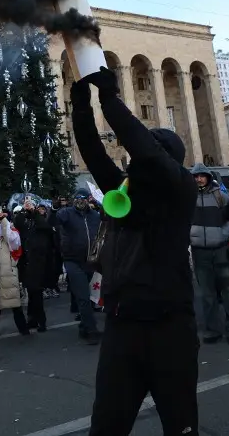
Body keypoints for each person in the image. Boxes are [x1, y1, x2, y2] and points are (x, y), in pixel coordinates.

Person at [71, 67, 198, 436]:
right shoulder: (126, 192)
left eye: (145, 154)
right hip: (122, 327)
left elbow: (145, 149)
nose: (133, 161)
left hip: (169, 328)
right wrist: (82, 107)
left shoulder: (180, 188)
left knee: (180, 424)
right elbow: (94, 154)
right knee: (106, 425)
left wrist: (109, 99)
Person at [189, 162, 229, 345]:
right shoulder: (189, 198)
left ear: (208, 177)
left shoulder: (222, 197)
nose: (199, 179)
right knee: (207, 293)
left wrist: (223, 236)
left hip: (219, 248)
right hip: (199, 250)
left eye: (202, 175)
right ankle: (212, 330)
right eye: (196, 176)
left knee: (227, 291)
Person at [52, 187, 102, 343]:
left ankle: (83, 327)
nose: (80, 201)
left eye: (84, 198)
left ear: (89, 200)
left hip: (90, 262)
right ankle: (92, 331)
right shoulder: (66, 213)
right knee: (83, 297)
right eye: (78, 198)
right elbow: (52, 221)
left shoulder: (95, 216)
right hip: (72, 261)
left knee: (87, 298)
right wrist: (54, 208)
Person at [0, 207, 30, 338]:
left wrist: (3, 221)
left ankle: (23, 328)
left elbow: (12, 241)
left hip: (9, 272)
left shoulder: (11, 229)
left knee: (14, 303)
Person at [17, 199, 61, 332]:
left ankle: (41, 320)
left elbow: (45, 227)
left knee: (36, 292)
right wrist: (24, 211)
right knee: (32, 292)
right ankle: (32, 319)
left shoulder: (41, 221)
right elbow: (17, 222)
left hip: (40, 262)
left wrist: (34, 212)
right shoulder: (25, 222)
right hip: (27, 261)